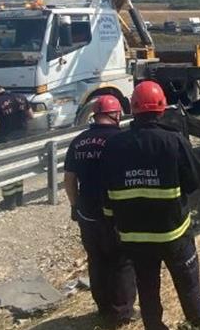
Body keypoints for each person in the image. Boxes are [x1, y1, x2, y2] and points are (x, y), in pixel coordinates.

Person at [102, 81, 200, 329]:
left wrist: (113, 224)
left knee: (148, 289)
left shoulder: (115, 146)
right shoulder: (173, 141)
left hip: (135, 238)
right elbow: (195, 180)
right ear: (162, 107)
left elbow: (106, 193)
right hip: (174, 234)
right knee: (189, 286)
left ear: (133, 109)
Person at [64, 95, 137, 326]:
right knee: (122, 261)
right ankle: (123, 312)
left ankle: (103, 307)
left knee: (96, 260)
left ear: (95, 115)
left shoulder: (78, 141)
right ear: (116, 115)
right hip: (116, 212)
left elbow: (69, 179)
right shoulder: (122, 139)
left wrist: (74, 206)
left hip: (87, 211)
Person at [0, 80, 33, 210]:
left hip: (4, 141)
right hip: (22, 139)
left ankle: (9, 202)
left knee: (6, 171)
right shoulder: (21, 97)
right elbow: (31, 115)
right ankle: (19, 199)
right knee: (18, 168)